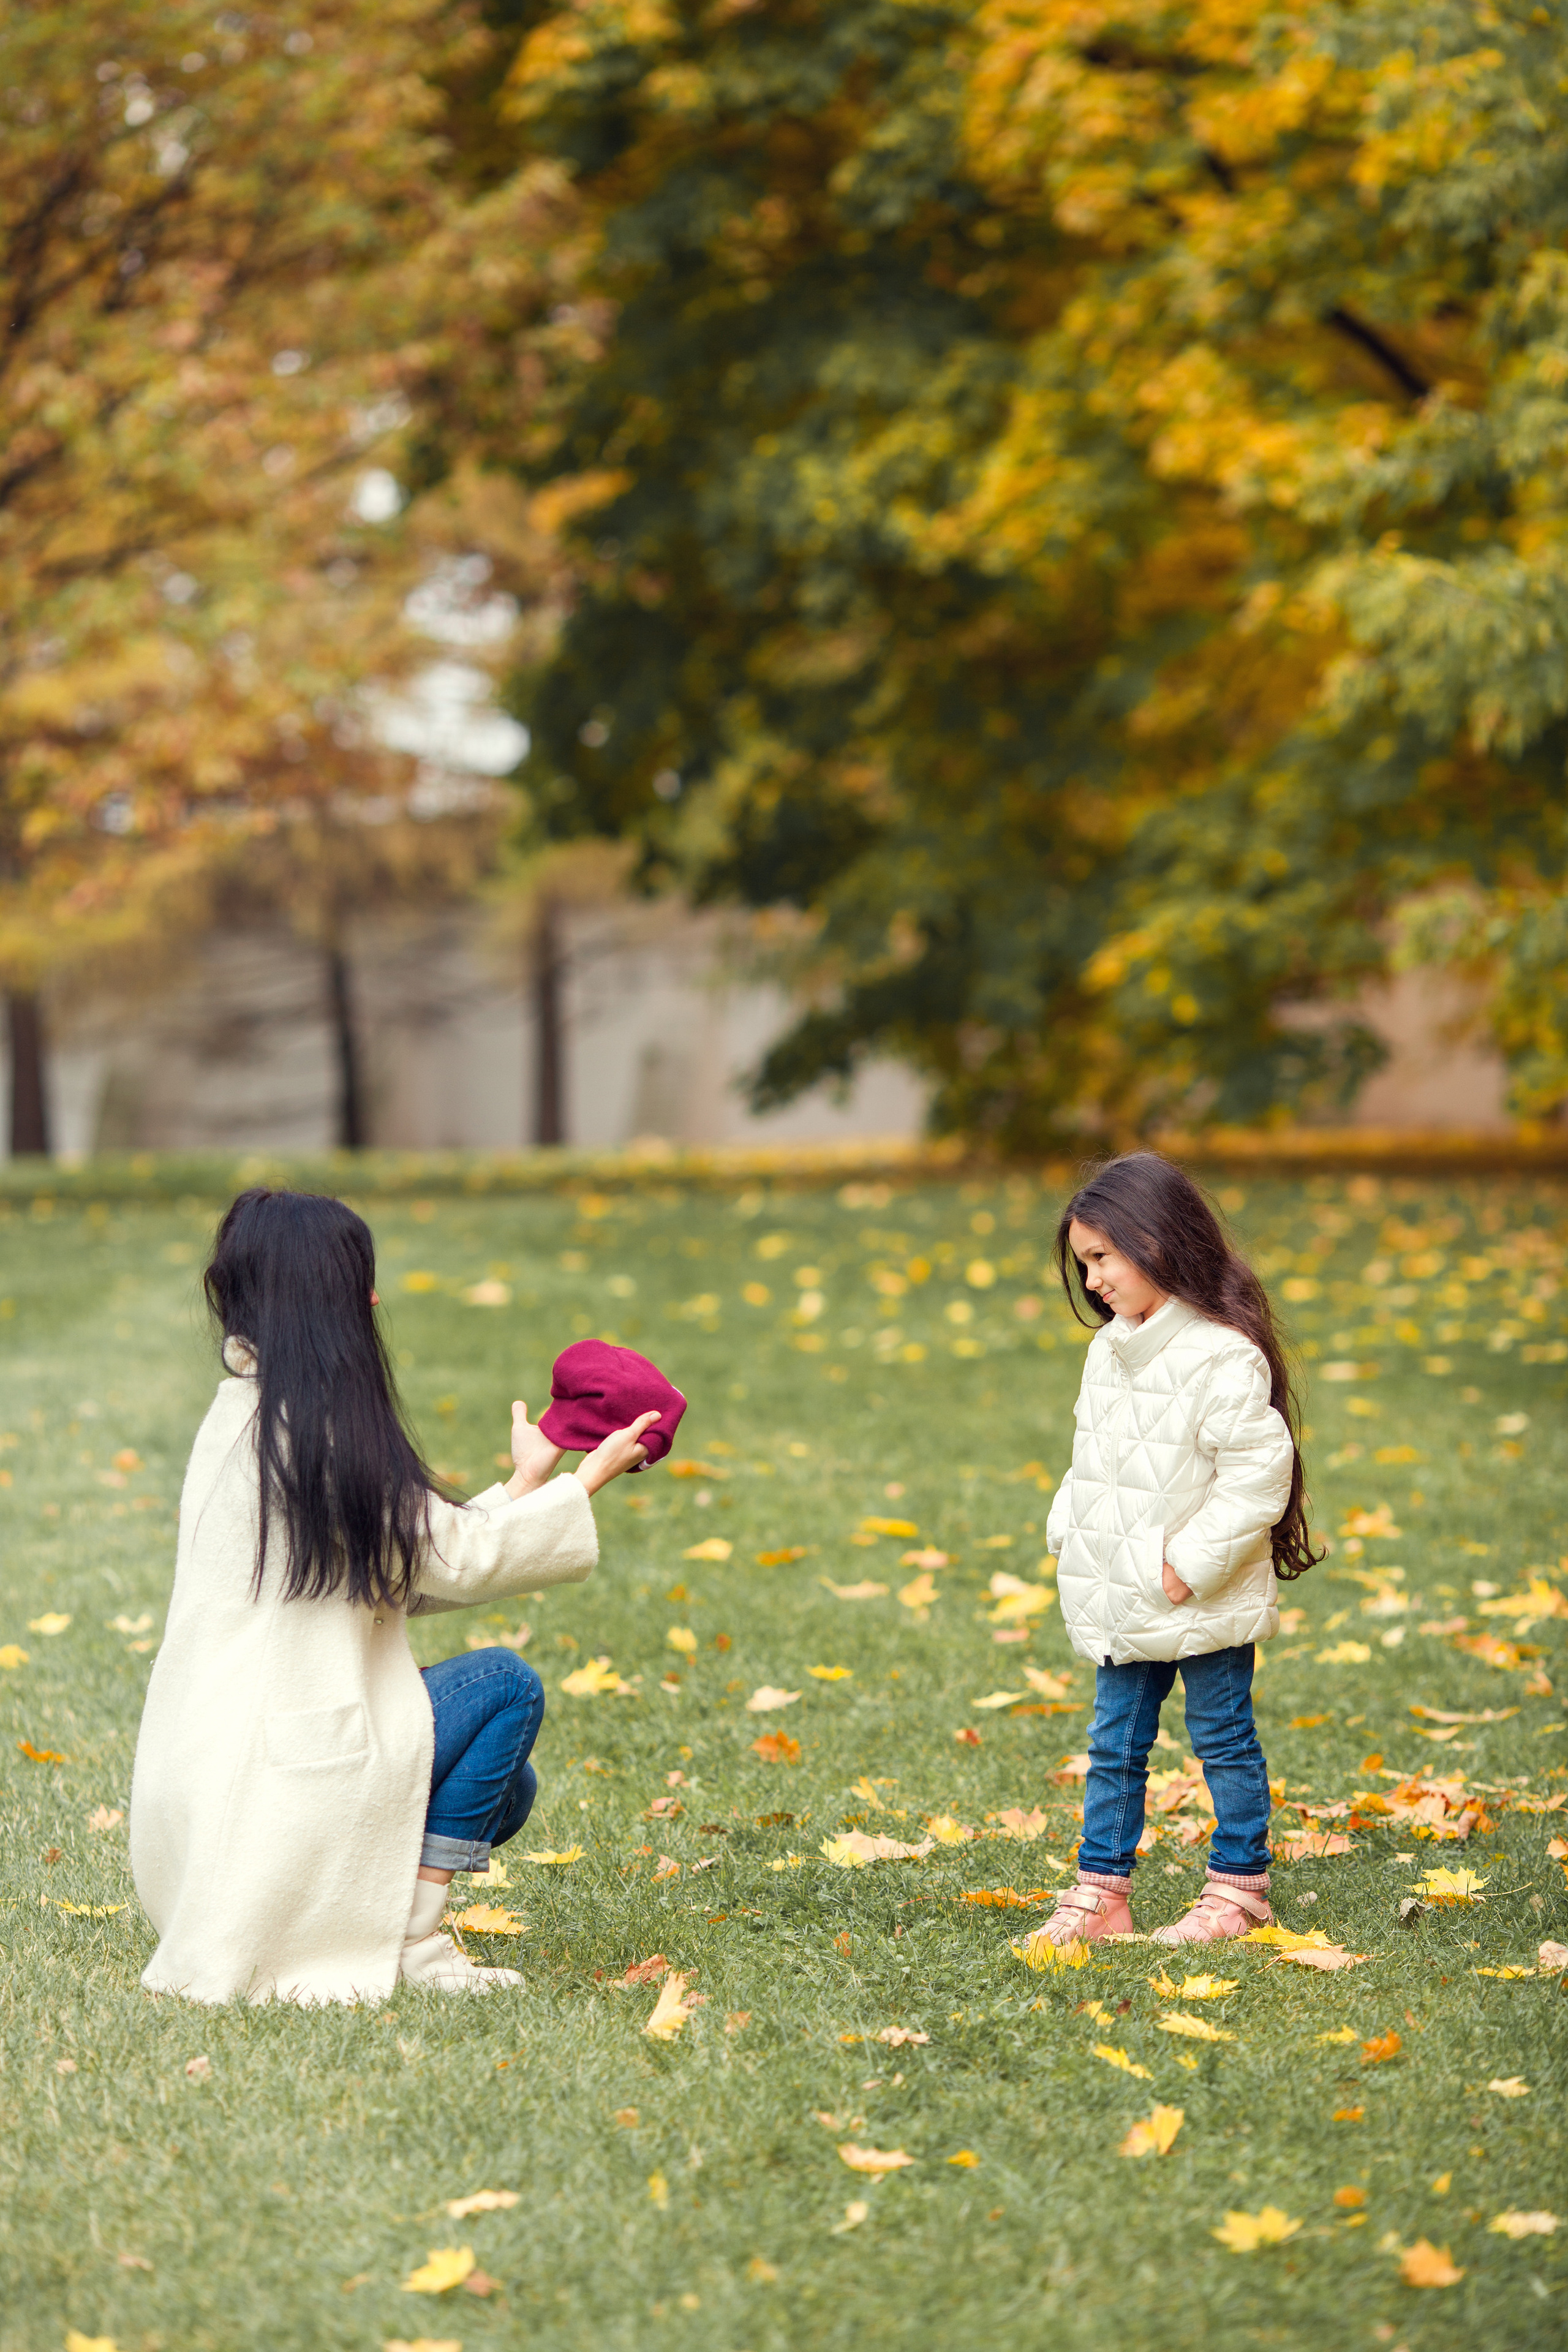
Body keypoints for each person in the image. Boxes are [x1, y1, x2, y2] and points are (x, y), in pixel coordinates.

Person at [129, 1188, 658, 2005]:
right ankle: (410, 1938)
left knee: (506, 1790)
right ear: (331, 1301)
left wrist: (526, 1482)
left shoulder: (245, 1417)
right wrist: (588, 1479)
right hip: (273, 1793)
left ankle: (376, 1909)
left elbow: (404, 1566)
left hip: (210, 1801)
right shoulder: (321, 1437)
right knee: (504, 1688)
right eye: (359, 1282)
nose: (374, 1299)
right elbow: (456, 1562)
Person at [1031, 1153, 1320, 1948]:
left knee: (1221, 1735)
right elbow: (1097, 1456)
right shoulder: (1110, 1349)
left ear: (1155, 1241)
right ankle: (1102, 1892)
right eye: (1083, 1263)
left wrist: (1190, 1568)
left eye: (1101, 1258)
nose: (1092, 1280)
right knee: (1114, 1743)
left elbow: (1260, 1474)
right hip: (1121, 1588)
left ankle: (1239, 1889)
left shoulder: (1221, 1356)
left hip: (1199, 1594)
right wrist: (1072, 1522)